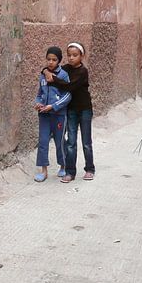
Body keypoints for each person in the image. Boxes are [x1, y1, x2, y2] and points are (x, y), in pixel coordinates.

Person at [46, 42, 95, 183]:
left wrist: (53, 79)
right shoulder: (66, 69)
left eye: (75, 55)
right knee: (71, 142)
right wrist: (45, 71)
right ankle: (70, 172)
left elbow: (70, 86)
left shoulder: (83, 72)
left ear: (82, 56)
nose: (71, 58)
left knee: (86, 142)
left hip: (85, 109)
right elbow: (51, 68)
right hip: (71, 110)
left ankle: (90, 169)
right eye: (69, 55)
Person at [33, 46, 71, 182]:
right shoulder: (43, 75)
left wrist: (53, 106)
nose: (50, 62)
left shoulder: (63, 75)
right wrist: (38, 103)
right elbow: (39, 93)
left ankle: (63, 165)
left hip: (59, 115)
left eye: (54, 59)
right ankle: (43, 170)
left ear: (59, 61)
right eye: (48, 59)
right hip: (44, 116)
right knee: (43, 142)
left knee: (60, 141)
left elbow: (67, 95)